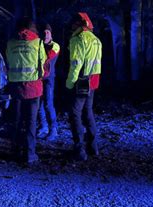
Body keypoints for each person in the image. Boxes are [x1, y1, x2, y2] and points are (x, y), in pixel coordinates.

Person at [6, 17, 47, 165]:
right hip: (34, 88)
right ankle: (30, 154)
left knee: (15, 120)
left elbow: (8, 62)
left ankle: (15, 150)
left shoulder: (10, 43)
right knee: (31, 121)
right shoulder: (38, 43)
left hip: (16, 87)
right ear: (33, 28)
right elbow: (42, 64)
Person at [66, 12, 102, 161]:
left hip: (81, 81)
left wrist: (69, 83)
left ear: (78, 24)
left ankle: (79, 150)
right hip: (93, 81)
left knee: (75, 114)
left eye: (73, 23)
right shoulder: (96, 40)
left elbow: (76, 64)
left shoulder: (78, 39)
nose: (71, 26)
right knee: (88, 111)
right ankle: (93, 147)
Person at [37, 24, 60, 141]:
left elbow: (47, 57)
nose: (46, 34)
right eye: (44, 32)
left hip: (48, 79)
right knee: (39, 105)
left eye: (48, 32)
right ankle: (43, 127)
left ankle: (53, 129)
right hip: (38, 78)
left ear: (51, 34)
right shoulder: (39, 44)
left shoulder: (55, 46)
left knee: (48, 104)